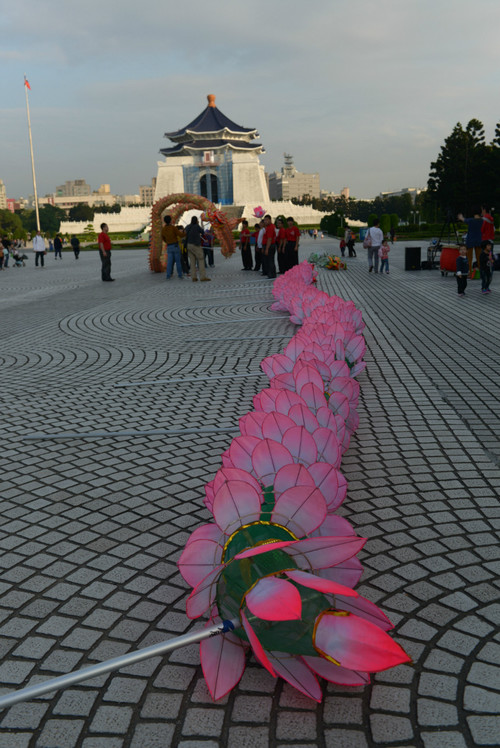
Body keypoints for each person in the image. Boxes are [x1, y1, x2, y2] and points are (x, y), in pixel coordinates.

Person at [185, 216, 210, 282]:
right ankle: (202, 277)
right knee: (201, 260)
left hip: (189, 245)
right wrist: (198, 224)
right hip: (196, 245)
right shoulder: (197, 226)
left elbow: (184, 234)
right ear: (196, 221)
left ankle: (194, 277)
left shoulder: (187, 227)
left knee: (192, 262)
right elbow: (202, 232)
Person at [161, 215, 184, 280]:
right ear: (170, 221)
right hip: (175, 246)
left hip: (169, 246)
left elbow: (163, 238)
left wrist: (167, 242)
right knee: (178, 261)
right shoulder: (173, 228)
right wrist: (185, 233)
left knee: (169, 262)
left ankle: (168, 275)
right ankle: (180, 275)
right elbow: (180, 235)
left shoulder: (163, 229)